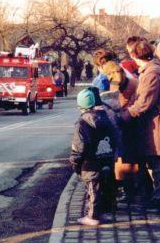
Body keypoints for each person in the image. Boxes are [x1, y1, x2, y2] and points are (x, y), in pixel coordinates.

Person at [120, 40, 160, 207]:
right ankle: (159, 194)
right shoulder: (152, 70)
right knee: (156, 160)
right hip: (155, 122)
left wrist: (126, 115)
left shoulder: (152, 74)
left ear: (136, 56)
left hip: (157, 123)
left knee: (159, 161)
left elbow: (144, 102)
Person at [69, 88, 118, 226]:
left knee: (93, 189)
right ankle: (106, 212)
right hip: (106, 158)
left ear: (80, 106)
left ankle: (93, 216)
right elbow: (114, 137)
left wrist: (74, 162)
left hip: (90, 163)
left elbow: (79, 147)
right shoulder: (105, 117)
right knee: (106, 186)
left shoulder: (82, 123)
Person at [102, 61, 139, 200]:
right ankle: (130, 188)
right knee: (126, 159)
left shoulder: (128, 84)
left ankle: (130, 190)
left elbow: (123, 103)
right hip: (125, 122)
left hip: (128, 122)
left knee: (127, 160)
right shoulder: (124, 82)